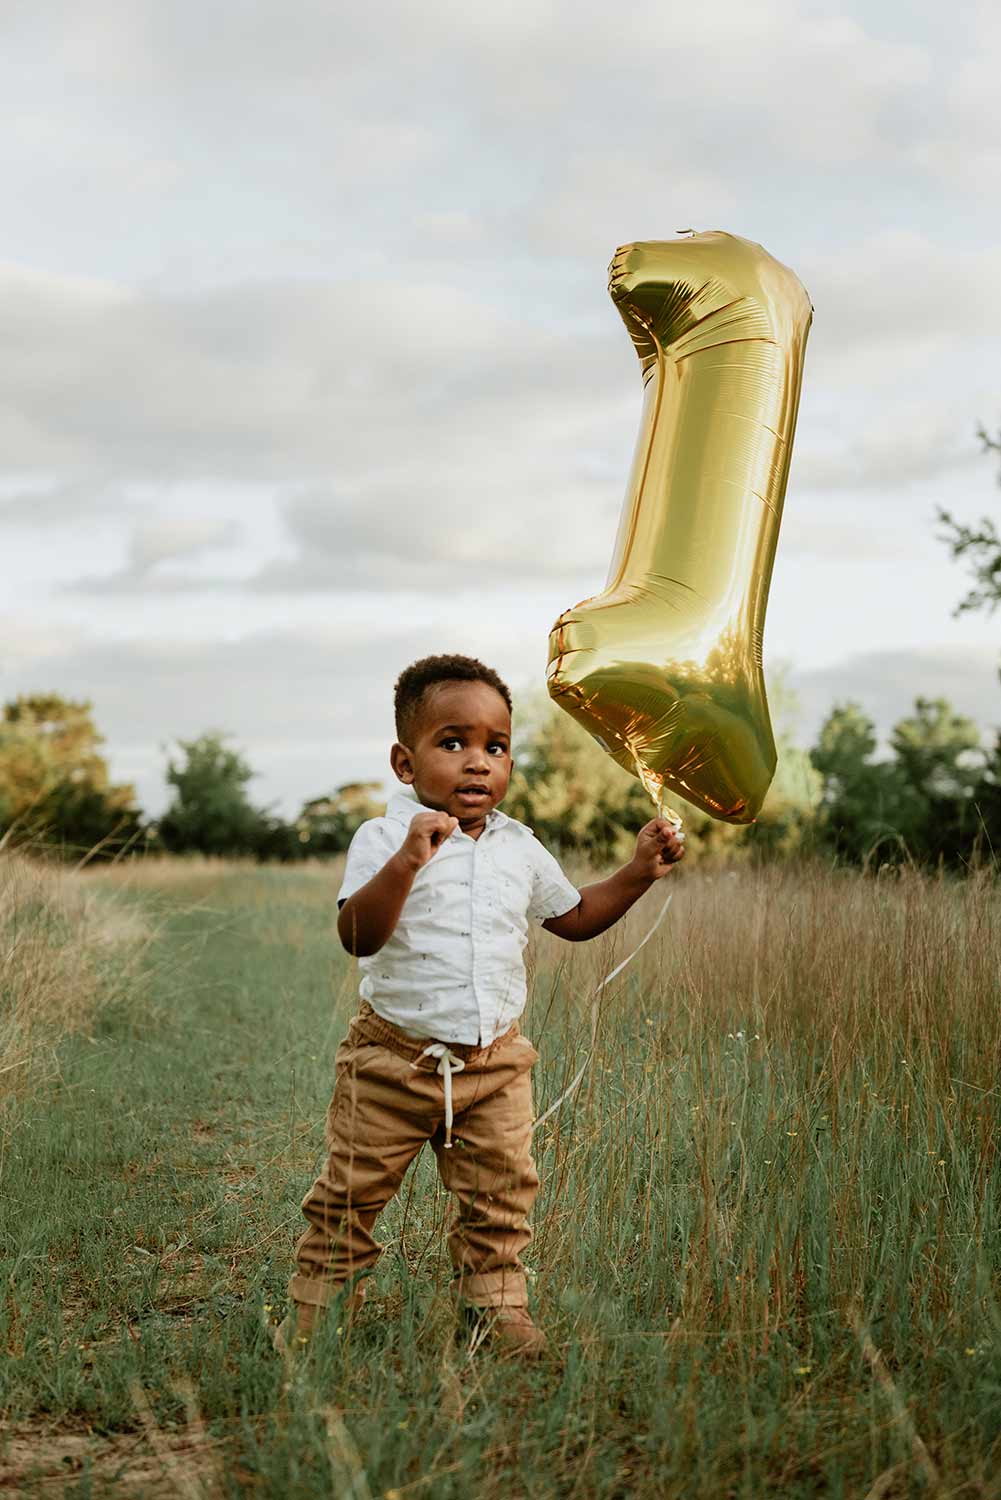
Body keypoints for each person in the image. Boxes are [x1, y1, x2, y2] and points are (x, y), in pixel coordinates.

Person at [275, 653, 685, 1362]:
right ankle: (318, 1314)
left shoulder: (519, 847)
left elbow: (575, 917)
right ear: (405, 763)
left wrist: (637, 871)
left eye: (494, 747)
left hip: (494, 1064)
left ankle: (496, 1309)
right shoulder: (382, 839)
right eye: (452, 742)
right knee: (349, 1195)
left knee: (501, 1198)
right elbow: (355, 936)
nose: (477, 763)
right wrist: (407, 861)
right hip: (390, 1062)